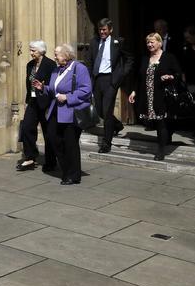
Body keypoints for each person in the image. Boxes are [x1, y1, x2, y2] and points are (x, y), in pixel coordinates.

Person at [32, 43, 92, 185]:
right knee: (53, 138)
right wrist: (43, 88)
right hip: (56, 111)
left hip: (71, 112)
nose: (54, 56)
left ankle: (73, 175)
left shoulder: (79, 68)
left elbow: (86, 90)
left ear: (66, 55)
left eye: (57, 54)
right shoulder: (56, 70)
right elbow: (54, 89)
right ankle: (67, 169)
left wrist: (68, 97)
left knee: (70, 144)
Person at [129, 32, 183, 160]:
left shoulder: (168, 57)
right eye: (148, 42)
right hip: (148, 96)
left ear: (160, 43)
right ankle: (168, 134)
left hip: (163, 95)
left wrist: (170, 77)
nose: (149, 44)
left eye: (152, 42)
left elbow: (179, 74)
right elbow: (139, 77)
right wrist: (133, 91)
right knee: (153, 122)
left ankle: (161, 151)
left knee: (161, 122)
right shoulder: (144, 58)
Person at [85, 18, 132, 154]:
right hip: (97, 79)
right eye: (100, 30)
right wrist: (88, 77)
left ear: (110, 30)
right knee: (100, 110)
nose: (102, 32)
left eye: (104, 30)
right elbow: (89, 61)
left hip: (111, 80)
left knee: (107, 110)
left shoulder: (118, 42)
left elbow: (130, 59)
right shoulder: (94, 42)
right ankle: (116, 125)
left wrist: (121, 74)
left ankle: (106, 143)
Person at [16, 40, 56, 171]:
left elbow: (53, 85)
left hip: (46, 103)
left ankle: (51, 161)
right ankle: (30, 158)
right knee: (27, 127)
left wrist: (44, 88)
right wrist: (27, 101)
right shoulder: (29, 65)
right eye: (31, 50)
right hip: (33, 102)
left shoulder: (50, 64)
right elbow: (28, 85)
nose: (31, 53)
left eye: (33, 50)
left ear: (41, 51)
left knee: (48, 132)